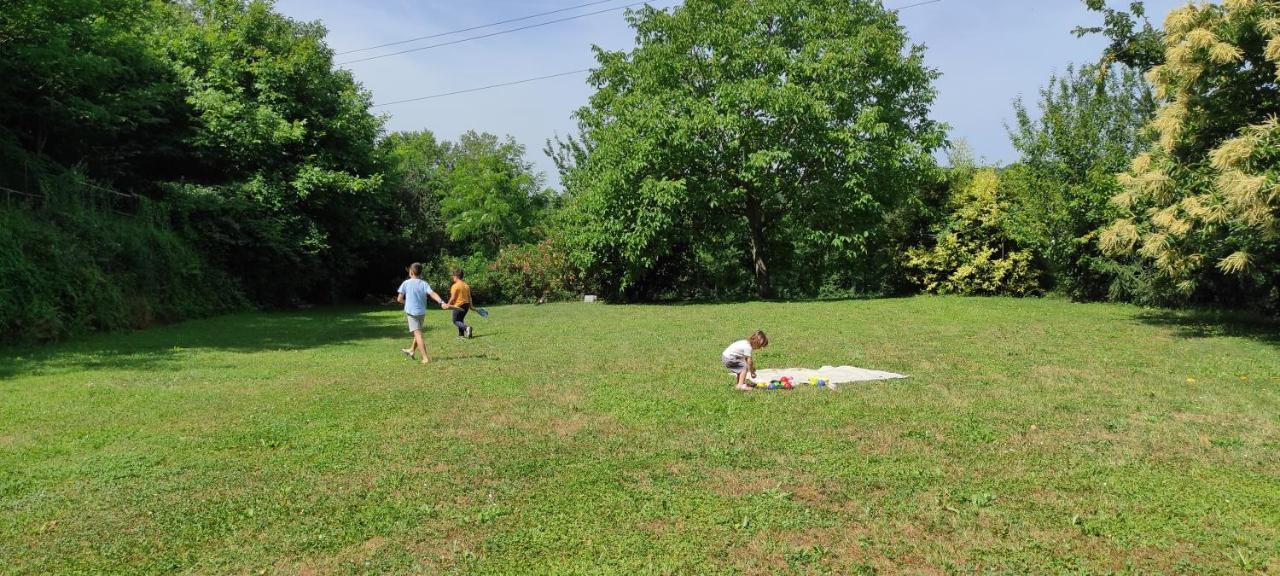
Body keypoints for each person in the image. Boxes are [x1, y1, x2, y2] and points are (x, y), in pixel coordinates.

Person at [397, 262, 448, 364]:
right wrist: (441, 302)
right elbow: (432, 293)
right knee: (418, 332)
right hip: (421, 312)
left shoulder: (406, 283)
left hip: (412, 313)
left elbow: (399, 299)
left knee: (418, 334)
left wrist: (407, 302)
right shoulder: (424, 284)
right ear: (420, 273)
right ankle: (412, 350)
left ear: (411, 272)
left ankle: (425, 358)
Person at [447, 268, 473, 339]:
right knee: (460, 319)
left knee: (455, 321)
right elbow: (469, 297)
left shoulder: (455, 286)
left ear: (456, 276)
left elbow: (452, 298)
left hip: (458, 305)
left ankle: (467, 328)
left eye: (453, 276)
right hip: (466, 305)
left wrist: (448, 304)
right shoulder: (466, 285)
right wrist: (471, 306)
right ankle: (461, 335)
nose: (452, 277)